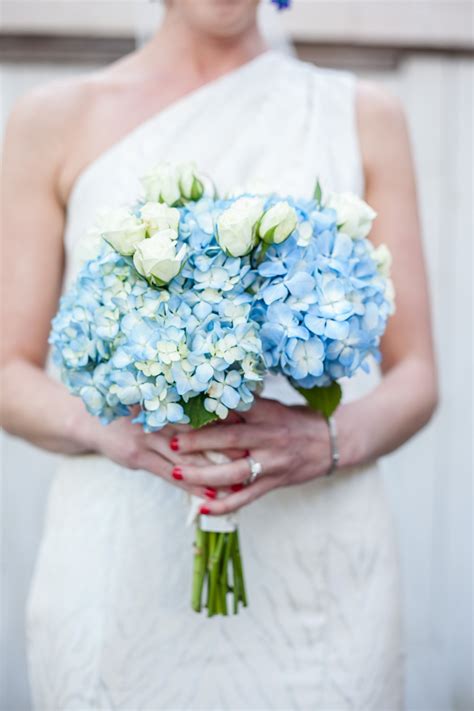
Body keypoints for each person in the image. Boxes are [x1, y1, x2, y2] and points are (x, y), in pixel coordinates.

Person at [1, 0, 438, 708]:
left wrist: (325, 438)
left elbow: (417, 373)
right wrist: (112, 430)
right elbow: (7, 372)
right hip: (124, 571)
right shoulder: (53, 118)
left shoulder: (364, 114)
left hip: (317, 581)